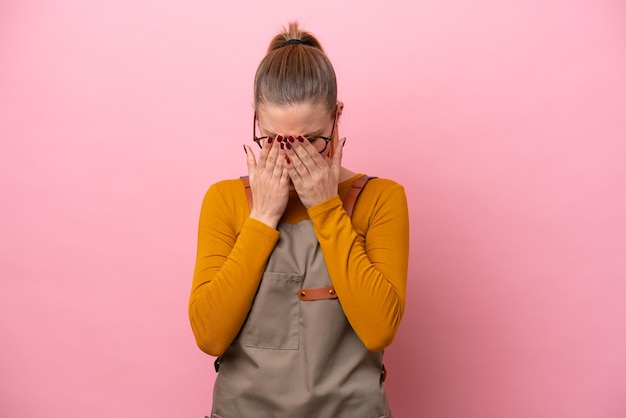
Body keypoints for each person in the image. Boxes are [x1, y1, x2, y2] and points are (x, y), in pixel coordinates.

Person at [189, 22, 409, 418]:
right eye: (274, 140)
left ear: (337, 118)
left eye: (310, 141)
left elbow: (379, 330)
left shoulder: (381, 199)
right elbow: (209, 335)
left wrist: (326, 207)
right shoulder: (224, 199)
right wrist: (261, 218)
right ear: (255, 119)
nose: (292, 158)